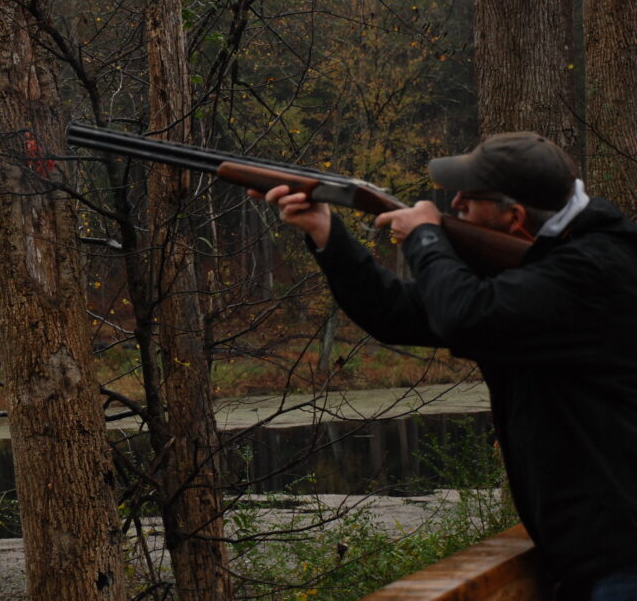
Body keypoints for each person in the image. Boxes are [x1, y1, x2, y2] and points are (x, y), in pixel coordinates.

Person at [258, 132, 637, 600]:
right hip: (597, 556)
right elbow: (397, 313)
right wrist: (326, 233)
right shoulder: (551, 264)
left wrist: (425, 237)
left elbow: (464, 317)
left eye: (468, 198)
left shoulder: (595, 269)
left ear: (514, 216)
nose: (452, 202)